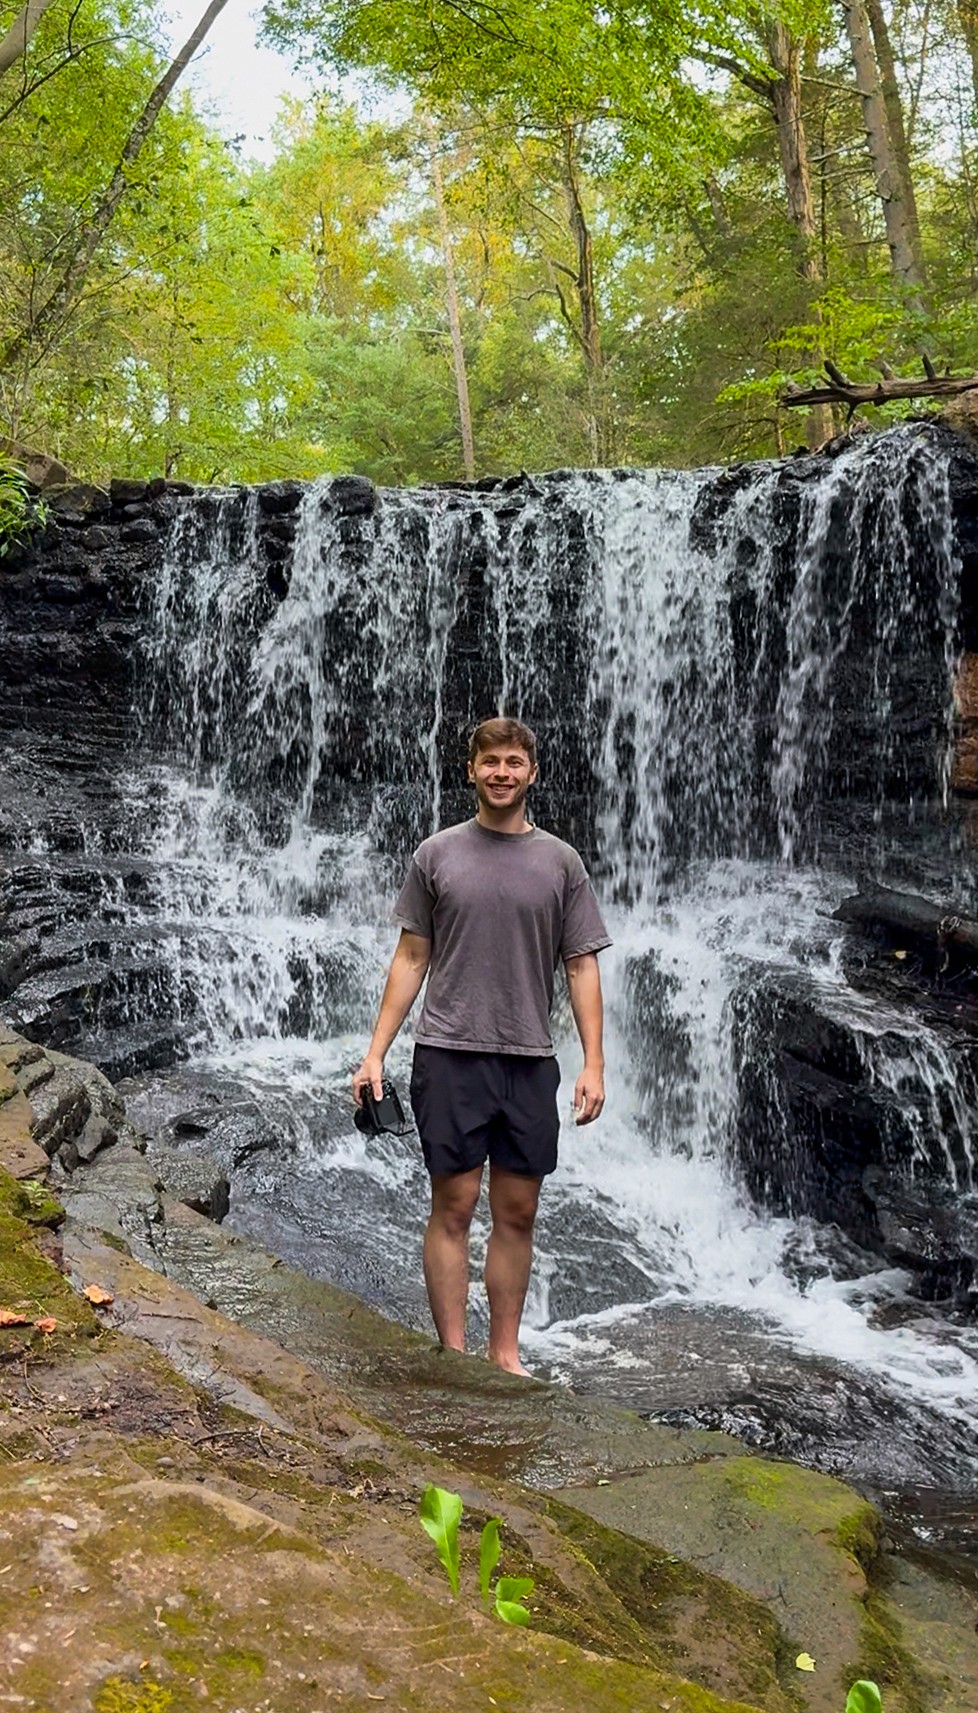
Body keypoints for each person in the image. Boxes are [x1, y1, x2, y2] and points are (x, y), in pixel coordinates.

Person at [351, 717, 611, 1376]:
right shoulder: (436, 854)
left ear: (532, 772)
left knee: (517, 1213)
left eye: (514, 762)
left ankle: (505, 1354)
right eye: (490, 761)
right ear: (471, 770)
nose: (501, 772)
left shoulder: (561, 863)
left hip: (529, 1059)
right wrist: (376, 1051)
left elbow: (581, 965)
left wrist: (594, 1063)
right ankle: (453, 1353)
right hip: (448, 1053)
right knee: (454, 1206)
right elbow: (411, 956)